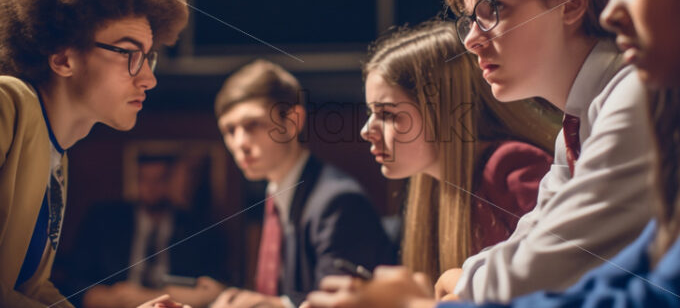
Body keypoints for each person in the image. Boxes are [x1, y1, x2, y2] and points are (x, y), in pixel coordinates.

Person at [306, 0, 680, 306]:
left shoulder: (634, 97)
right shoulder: (576, 125)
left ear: (571, 4)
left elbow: (548, 267)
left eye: (492, 10)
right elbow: (534, 247)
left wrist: (444, 292)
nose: (473, 40)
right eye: (469, 20)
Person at [0, 0, 188, 307]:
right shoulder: (7, 102)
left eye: (148, 58)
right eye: (129, 54)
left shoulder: (58, 157)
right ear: (64, 58)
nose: (148, 78)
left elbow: (30, 290)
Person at [359, 20, 557, 283]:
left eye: (387, 114)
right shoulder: (432, 187)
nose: (366, 130)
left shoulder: (511, 167)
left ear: (442, 111)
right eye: (371, 113)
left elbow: (553, 283)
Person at [211, 60, 395, 308]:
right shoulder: (276, 193)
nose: (239, 143)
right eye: (230, 130)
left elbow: (338, 304)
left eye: (252, 124)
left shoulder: (337, 201)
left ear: (293, 121)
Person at [62, 155, 229, 308]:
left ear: (173, 181)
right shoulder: (103, 221)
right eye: (144, 179)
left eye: (160, 179)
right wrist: (107, 297)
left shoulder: (199, 229)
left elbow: (212, 289)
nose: (151, 187)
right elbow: (74, 281)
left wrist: (146, 297)